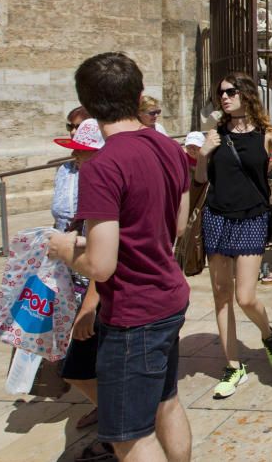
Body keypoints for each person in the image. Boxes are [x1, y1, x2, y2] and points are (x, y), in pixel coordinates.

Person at [48, 52, 192, 462]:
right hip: (169, 295)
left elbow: (100, 264)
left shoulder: (103, 165)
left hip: (134, 312)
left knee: (130, 436)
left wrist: (64, 248)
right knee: (167, 402)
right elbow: (176, 226)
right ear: (137, 94)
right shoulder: (168, 147)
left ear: (89, 106)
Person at [195, 72, 272, 399]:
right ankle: (233, 366)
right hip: (217, 217)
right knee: (221, 294)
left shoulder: (267, 133)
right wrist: (204, 153)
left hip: (252, 217)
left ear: (246, 94)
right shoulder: (215, 132)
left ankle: (268, 334)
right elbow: (200, 178)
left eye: (230, 91)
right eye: (221, 92)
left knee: (245, 296)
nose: (224, 97)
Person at [52, 117, 113, 460]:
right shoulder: (73, 174)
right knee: (79, 366)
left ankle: (113, 429)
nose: (77, 157)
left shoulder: (101, 183)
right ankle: (111, 419)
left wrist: (89, 307)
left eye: (83, 152)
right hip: (76, 281)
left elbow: (101, 260)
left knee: (78, 366)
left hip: (97, 289)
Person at [51, 106, 91, 233]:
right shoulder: (65, 168)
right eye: (70, 127)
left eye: (78, 127)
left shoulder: (103, 170)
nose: (73, 132)